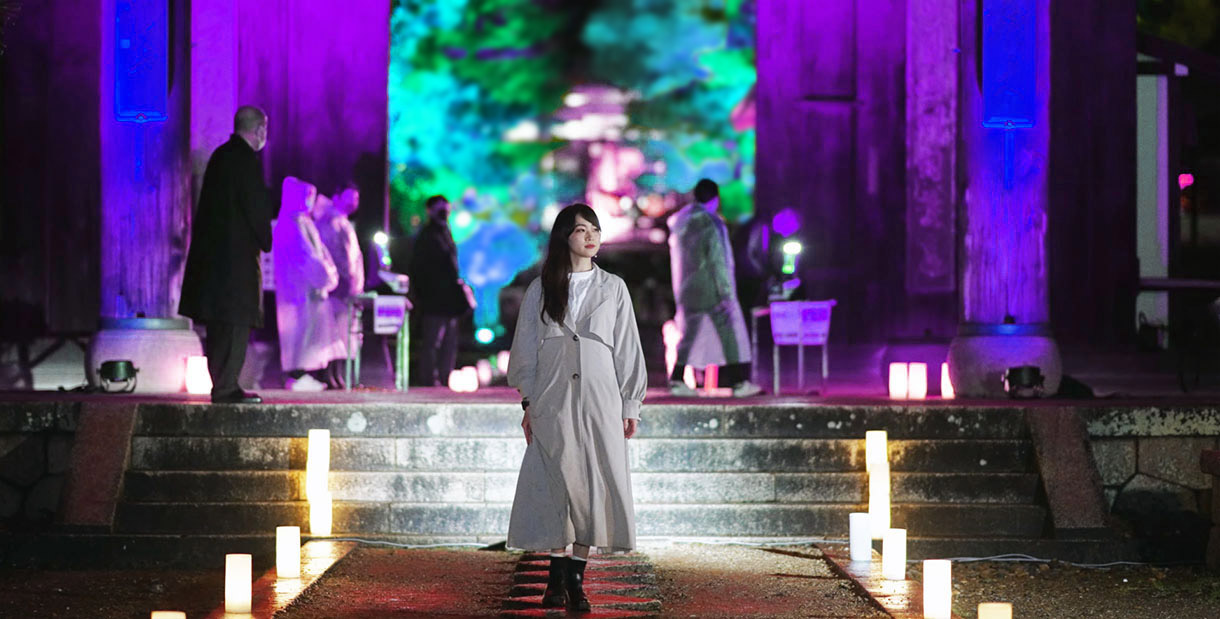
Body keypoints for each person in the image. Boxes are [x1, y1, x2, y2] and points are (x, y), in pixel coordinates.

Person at [506, 203, 647, 612]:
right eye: (582, 229)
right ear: (564, 236)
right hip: (553, 395)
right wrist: (528, 401)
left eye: (595, 230)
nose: (591, 237)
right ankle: (555, 573)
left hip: (600, 396)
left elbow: (628, 347)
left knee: (592, 481)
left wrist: (631, 402)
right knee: (556, 481)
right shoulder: (541, 288)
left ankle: (576, 578)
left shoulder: (613, 287)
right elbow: (525, 350)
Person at [179, 105, 271, 404]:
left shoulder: (220, 156)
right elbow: (255, 207)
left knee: (218, 326)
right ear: (259, 130)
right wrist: (264, 237)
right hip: (237, 260)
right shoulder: (246, 161)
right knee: (235, 323)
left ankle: (220, 384)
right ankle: (227, 387)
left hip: (213, 258)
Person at [666, 178, 763, 397]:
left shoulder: (683, 222)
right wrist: (726, 292)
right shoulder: (712, 223)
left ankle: (677, 378)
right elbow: (719, 260)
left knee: (689, 335)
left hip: (687, 289)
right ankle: (739, 382)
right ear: (716, 199)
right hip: (710, 289)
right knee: (728, 332)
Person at [273, 177, 339, 391]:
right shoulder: (291, 224)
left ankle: (303, 373)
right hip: (300, 291)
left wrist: (327, 275)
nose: (310, 201)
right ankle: (297, 375)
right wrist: (325, 278)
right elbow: (306, 257)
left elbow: (320, 254)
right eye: (306, 196)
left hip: (311, 290)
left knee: (309, 335)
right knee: (299, 335)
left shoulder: (303, 223)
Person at [407, 195, 469, 386]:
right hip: (434, 299)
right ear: (430, 211)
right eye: (440, 209)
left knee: (449, 343)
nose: (444, 213)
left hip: (448, 300)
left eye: (446, 209)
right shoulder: (427, 235)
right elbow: (419, 269)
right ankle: (430, 380)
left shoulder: (445, 232)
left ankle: (443, 378)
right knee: (432, 342)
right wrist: (422, 295)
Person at [313, 186, 365, 388]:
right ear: (336, 197)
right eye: (350, 197)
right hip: (338, 289)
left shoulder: (341, 222)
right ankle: (330, 376)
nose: (354, 202)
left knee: (343, 335)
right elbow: (336, 257)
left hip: (346, 290)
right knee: (334, 334)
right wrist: (344, 281)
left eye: (357, 197)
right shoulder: (331, 222)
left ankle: (337, 376)